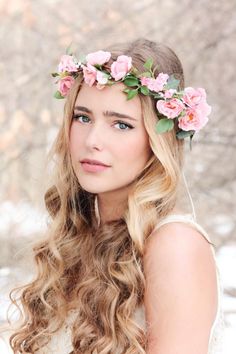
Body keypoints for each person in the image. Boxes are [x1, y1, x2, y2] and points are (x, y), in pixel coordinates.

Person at [6, 38, 224, 353]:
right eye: (83, 117)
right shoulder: (80, 238)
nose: (93, 140)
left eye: (121, 125)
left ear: (157, 140)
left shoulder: (174, 245)